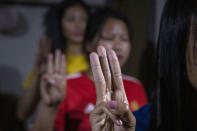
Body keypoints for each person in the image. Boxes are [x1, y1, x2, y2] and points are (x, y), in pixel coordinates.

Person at [31, 8, 147, 131]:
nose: (118, 46)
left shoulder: (136, 86)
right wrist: (50, 107)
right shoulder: (66, 85)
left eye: (124, 39)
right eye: (109, 37)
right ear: (89, 43)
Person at [17, 0, 90, 126]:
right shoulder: (50, 61)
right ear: (59, 24)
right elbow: (22, 113)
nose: (79, 25)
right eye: (71, 19)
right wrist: (39, 74)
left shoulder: (95, 64)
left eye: (84, 20)